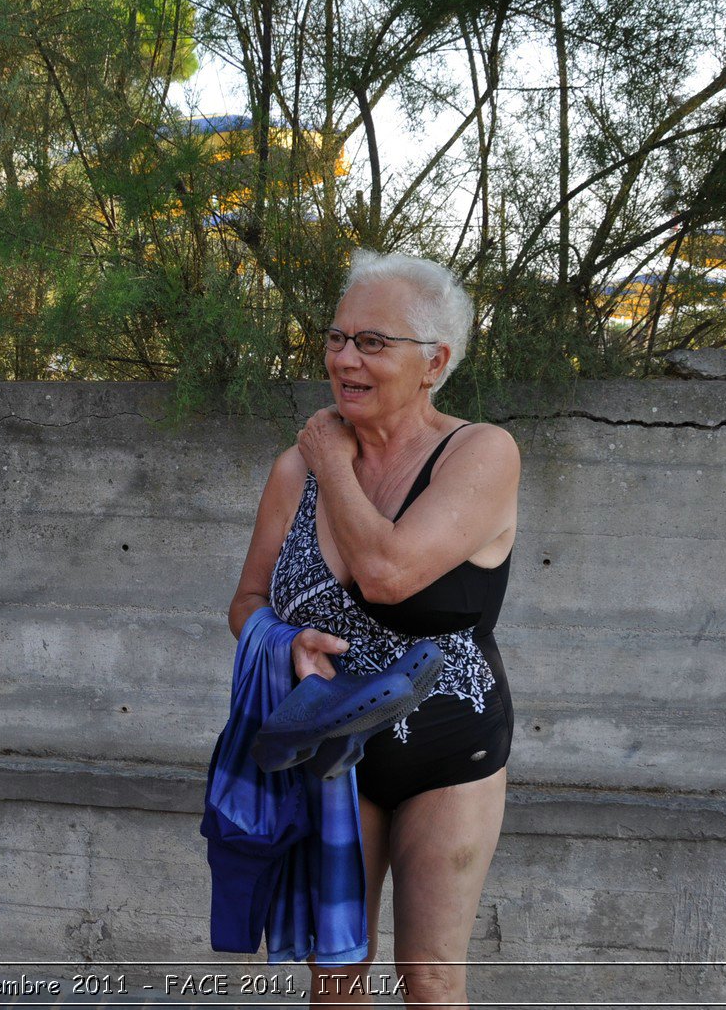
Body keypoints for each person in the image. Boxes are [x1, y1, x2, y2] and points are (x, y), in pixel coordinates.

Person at [227, 250, 519, 1008]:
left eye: (372, 342)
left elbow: (388, 572)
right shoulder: (292, 469)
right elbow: (247, 599)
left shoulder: (480, 452)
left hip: (448, 753)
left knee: (429, 980)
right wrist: (282, 642)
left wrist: (333, 465)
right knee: (337, 980)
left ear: (435, 362)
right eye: (336, 337)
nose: (344, 357)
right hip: (332, 755)